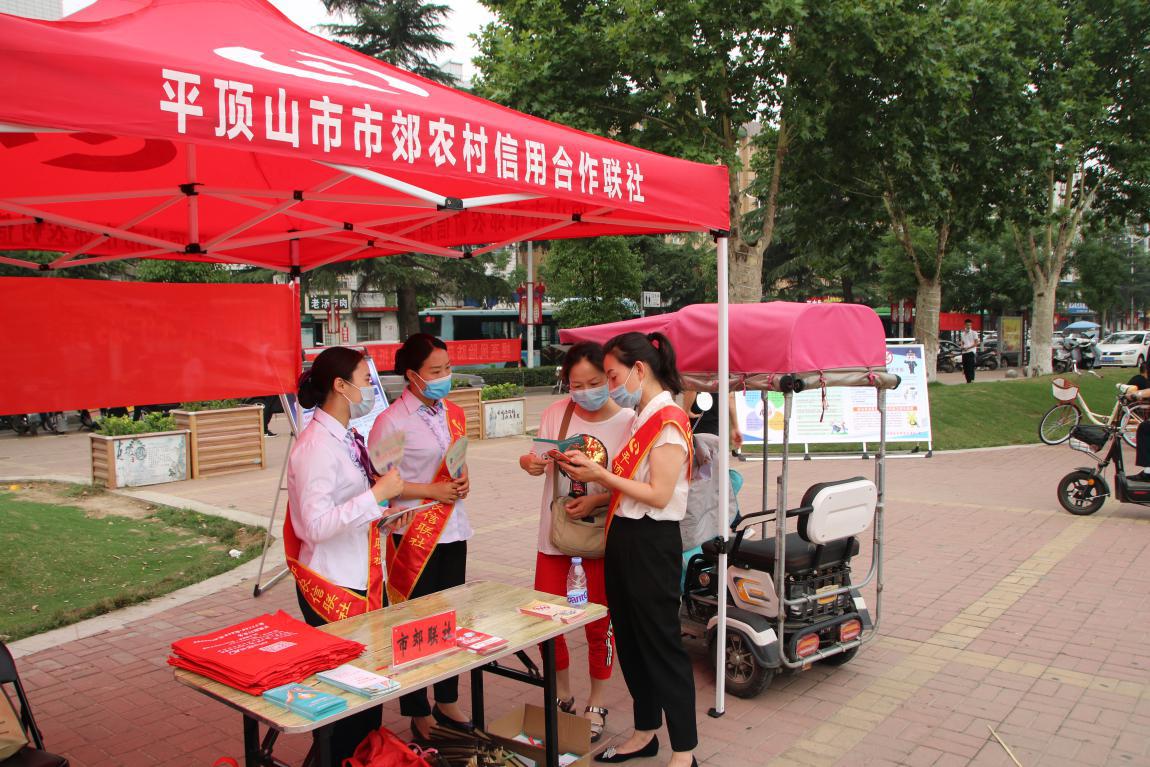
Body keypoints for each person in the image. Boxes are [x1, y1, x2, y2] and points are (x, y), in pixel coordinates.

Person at [564, 332, 698, 767]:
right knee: (632, 640)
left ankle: (685, 750)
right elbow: (635, 488)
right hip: (623, 534)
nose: (611, 384)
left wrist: (600, 477)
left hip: (651, 542)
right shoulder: (642, 415)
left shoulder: (670, 420)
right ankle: (645, 732)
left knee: (660, 643)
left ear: (639, 370)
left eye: (613, 375)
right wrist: (598, 489)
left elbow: (658, 495)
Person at [284, 346, 406, 763]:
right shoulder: (316, 446)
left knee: (367, 694)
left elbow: (346, 508)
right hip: (334, 585)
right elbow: (312, 526)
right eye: (365, 379)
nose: (371, 388)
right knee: (346, 700)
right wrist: (375, 495)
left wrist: (380, 515)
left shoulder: (345, 436)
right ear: (341, 386)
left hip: (363, 576)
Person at [518, 342, 635, 743]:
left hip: (602, 541)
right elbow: (534, 458)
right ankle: (561, 692)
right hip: (556, 538)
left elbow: (634, 486)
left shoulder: (629, 421)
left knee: (600, 624)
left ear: (610, 378)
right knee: (548, 619)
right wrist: (530, 463)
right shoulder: (557, 413)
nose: (585, 391)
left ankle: (597, 700)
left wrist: (598, 499)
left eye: (594, 382)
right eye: (575, 384)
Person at [369, 333, 472, 742]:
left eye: (447, 368)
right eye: (436, 371)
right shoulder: (392, 421)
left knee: (449, 620)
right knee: (414, 624)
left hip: (455, 530)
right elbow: (383, 482)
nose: (445, 376)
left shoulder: (452, 412)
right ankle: (416, 708)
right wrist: (431, 492)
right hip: (413, 535)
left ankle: (447, 697)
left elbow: (457, 461)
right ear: (412, 375)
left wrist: (463, 482)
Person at [683, 390, 742, 458]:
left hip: (699, 414)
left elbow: (692, 388)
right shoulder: (725, 380)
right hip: (717, 416)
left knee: (696, 454)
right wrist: (735, 427)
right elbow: (730, 397)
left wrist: (686, 411)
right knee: (713, 455)